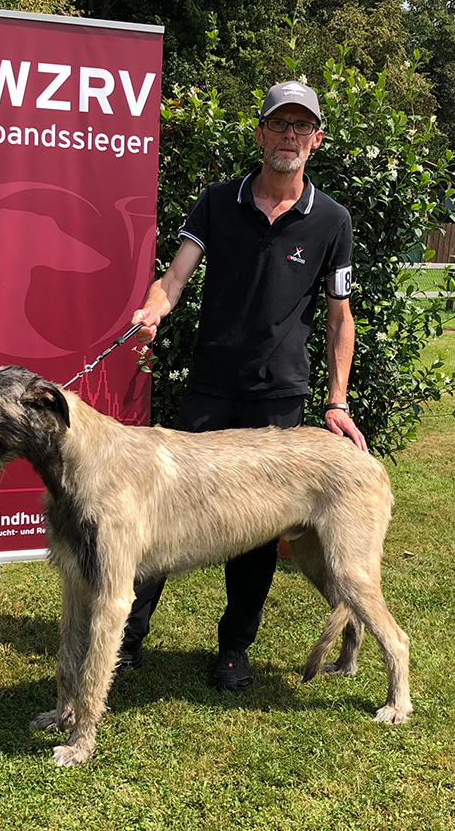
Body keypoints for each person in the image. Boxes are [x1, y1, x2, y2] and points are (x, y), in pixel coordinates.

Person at [120, 80, 364, 691]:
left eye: (300, 126)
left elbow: (339, 317)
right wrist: (153, 310)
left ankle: (234, 649)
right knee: (157, 511)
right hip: (210, 389)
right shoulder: (217, 202)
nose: (289, 135)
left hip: (277, 397)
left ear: (317, 139)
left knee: (255, 532)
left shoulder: (332, 219)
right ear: (260, 133)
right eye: (279, 124)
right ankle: (127, 637)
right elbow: (173, 280)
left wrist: (337, 401)